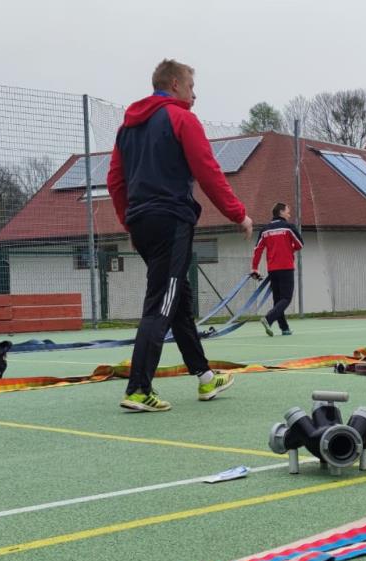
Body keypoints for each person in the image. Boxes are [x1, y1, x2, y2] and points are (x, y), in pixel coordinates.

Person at [106, 59, 252, 413]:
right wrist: (238, 213)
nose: (194, 94)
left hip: (142, 221)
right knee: (162, 302)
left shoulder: (127, 129)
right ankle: (139, 389)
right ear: (174, 84)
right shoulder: (182, 118)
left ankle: (205, 376)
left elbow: (115, 181)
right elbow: (207, 170)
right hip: (171, 220)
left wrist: (130, 223)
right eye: (191, 86)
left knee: (179, 299)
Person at [250, 202, 303, 336]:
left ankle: (284, 328)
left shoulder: (265, 229)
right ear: (281, 212)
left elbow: (258, 250)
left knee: (278, 300)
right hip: (286, 267)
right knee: (286, 298)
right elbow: (300, 244)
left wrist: (255, 268)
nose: (289, 214)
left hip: (272, 269)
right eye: (287, 211)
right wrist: (289, 249)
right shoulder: (288, 227)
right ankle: (268, 319)